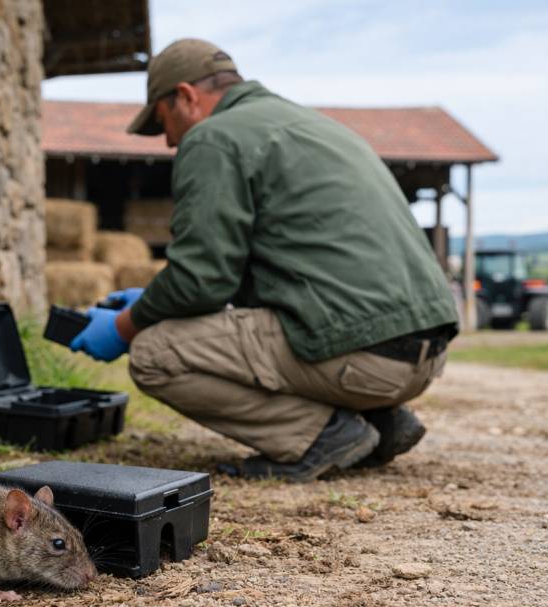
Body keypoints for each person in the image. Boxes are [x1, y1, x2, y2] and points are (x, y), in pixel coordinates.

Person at [70, 38, 458, 482]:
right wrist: (150, 300)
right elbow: (260, 270)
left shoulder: (214, 137)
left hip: (363, 357)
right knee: (195, 329)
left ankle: (322, 435)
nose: (169, 142)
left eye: (164, 123)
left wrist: (125, 327)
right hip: (420, 355)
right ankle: (383, 422)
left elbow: (201, 281)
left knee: (154, 354)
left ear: (186, 96)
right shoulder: (316, 127)